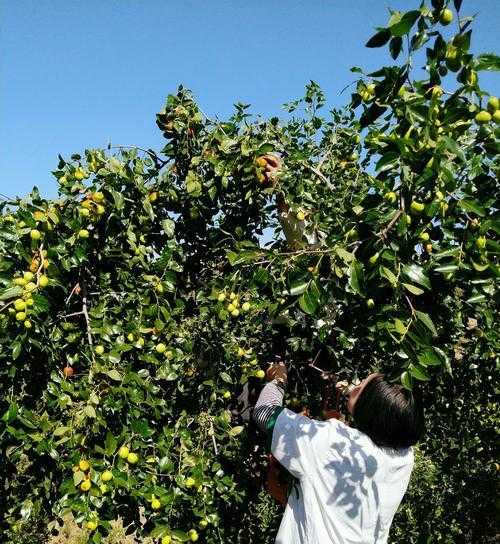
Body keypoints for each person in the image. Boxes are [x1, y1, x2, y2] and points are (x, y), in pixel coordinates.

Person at [253, 362, 424, 544]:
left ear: (368, 404)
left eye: (360, 386)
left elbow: (265, 412)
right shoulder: (404, 457)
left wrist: (279, 379)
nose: (355, 386)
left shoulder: (331, 441)